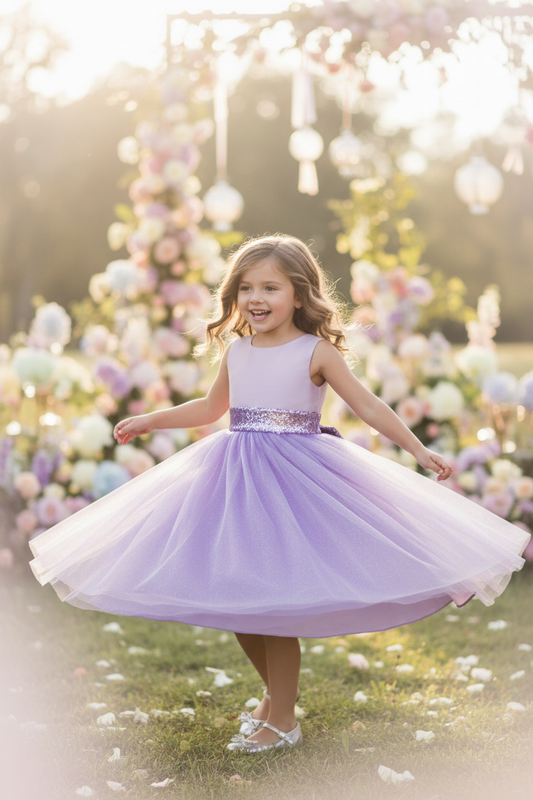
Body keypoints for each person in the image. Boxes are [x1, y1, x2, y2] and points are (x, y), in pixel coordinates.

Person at [29, 234, 530, 755]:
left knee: (274, 606)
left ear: (299, 293)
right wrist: (150, 421)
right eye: (246, 288)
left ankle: (284, 719)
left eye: (270, 286)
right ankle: (273, 697)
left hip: (293, 485)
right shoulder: (238, 349)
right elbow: (209, 408)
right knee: (239, 602)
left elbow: (370, 407)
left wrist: (419, 450)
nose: (255, 298)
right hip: (233, 482)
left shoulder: (315, 351)